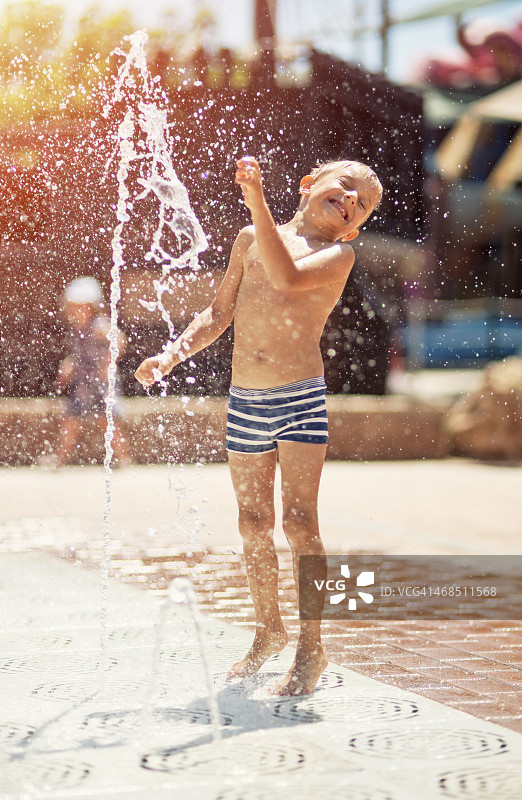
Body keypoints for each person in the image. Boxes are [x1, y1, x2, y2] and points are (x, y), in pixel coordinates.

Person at [135, 157, 383, 694]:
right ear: (309, 184)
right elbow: (218, 313)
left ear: (355, 227)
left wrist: (258, 202)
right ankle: (268, 629)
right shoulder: (251, 237)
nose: (349, 200)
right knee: (252, 522)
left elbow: (286, 276)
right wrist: (170, 355)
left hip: (299, 399)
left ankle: (312, 647)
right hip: (246, 399)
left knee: (299, 524)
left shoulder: (337, 254)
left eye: (359, 205)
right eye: (345, 186)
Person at [54, 276, 131, 467]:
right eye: (73, 306)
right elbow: (79, 353)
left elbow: (120, 341)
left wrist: (107, 365)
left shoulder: (99, 325)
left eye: (81, 306)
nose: (76, 311)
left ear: (92, 307)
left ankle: (124, 459)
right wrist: (69, 364)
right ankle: (60, 459)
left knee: (107, 420)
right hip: (82, 382)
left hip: (100, 380)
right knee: (71, 419)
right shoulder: (76, 328)